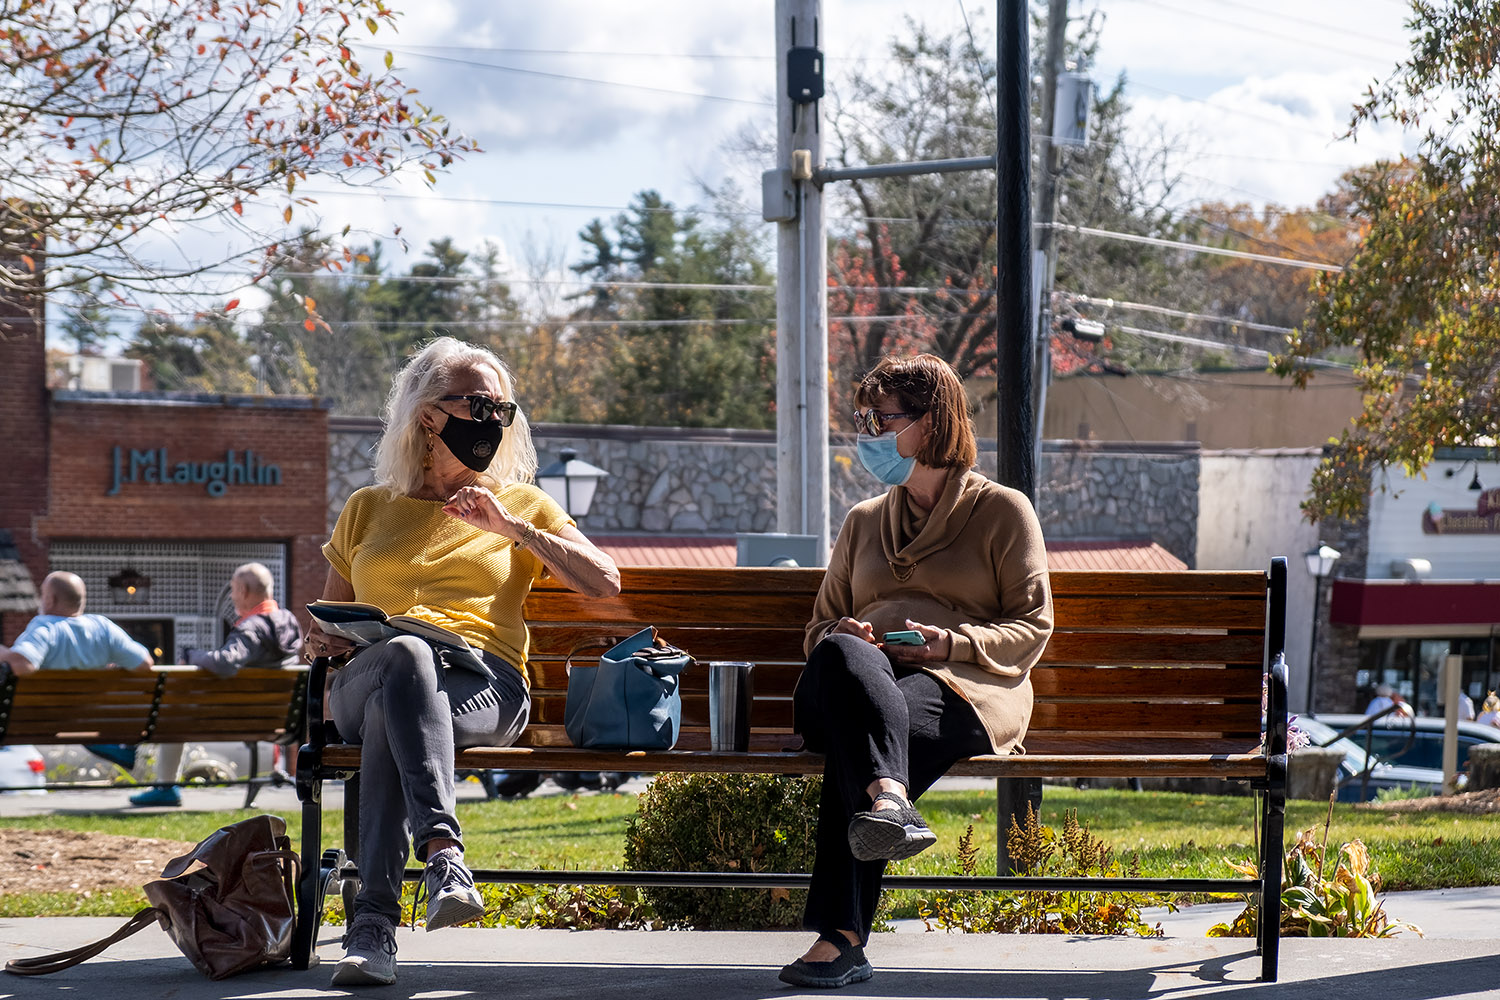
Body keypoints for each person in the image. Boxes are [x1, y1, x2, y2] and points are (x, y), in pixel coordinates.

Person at [308, 336, 619, 988]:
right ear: (427, 414)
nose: (495, 422)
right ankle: (444, 853)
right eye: (480, 405)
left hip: (483, 685)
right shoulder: (368, 508)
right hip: (371, 675)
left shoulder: (521, 504)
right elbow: (327, 623)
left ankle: (373, 929)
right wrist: (322, 643)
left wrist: (513, 530)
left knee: (404, 701)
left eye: (504, 411)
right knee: (403, 656)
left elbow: (604, 582)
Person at [779, 354, 1053, 990]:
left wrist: (948, 644)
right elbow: (821, 628)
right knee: (846, 658)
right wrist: (846, 633)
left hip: (961, 688)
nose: (867, 431)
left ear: (931, 424)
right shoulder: (863, 522)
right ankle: (892, 799)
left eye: (882, 418)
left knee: (867, 750)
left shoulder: (1003, 512)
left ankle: (843, 936)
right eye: (862, 417)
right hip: (852, 680)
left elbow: (1032, 626)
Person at [128, 562, 303, 808]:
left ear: (242, 590)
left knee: (172, 714)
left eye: (233, 590)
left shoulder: (251, 627)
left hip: (242, 717)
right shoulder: (288, 621)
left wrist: (191, 655)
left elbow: (225, 663)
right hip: (280, 716)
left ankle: (165, 786)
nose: (231, 597)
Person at [0, 572, 154, 773]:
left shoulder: (45, 627)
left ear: (50, 598)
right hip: (88, 718)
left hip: (40, 720)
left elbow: (23, 665)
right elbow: (145, 663)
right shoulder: (103, 628)